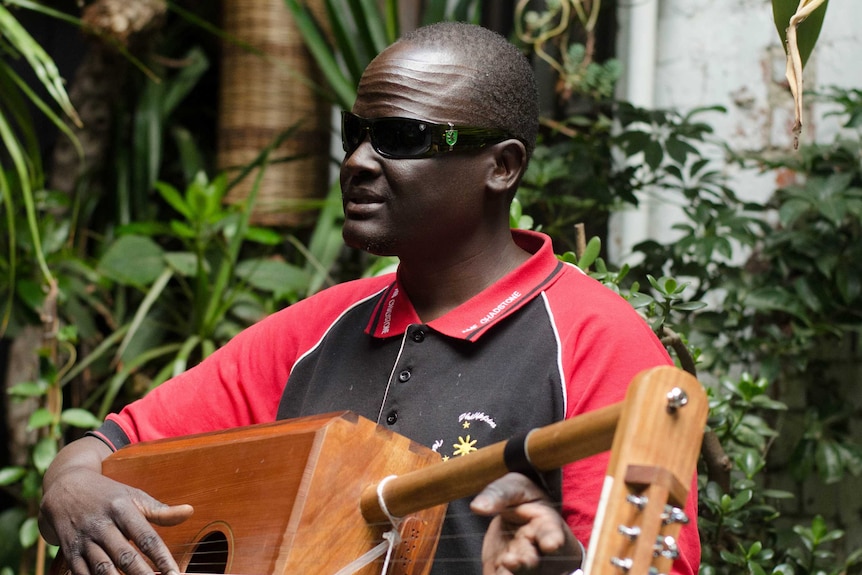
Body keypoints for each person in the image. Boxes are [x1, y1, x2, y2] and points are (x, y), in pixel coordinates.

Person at [39, 22, 700, 575]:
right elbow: (111, 444)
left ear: (501, 166)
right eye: (356, 132)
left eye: (403, 138)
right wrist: (71, 482)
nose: (357, 160)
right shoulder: (319, 328)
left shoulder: (595, 340)